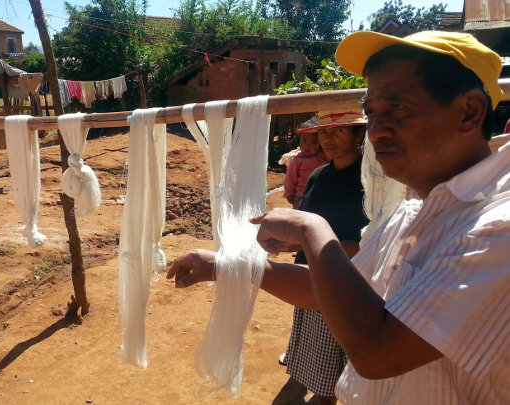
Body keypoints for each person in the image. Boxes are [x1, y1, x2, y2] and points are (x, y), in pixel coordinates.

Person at [167, 30, 510, 405]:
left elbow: (378, 352)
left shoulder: (497, 225)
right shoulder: (415, 206)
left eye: (398, 108)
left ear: (468, 112)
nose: (377, 130)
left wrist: (311, 228)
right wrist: (226, 266)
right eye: (372, 112)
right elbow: (337, 289)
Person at [282, 111, 368, 405]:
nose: (327, 139)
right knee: (316, 351)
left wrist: (316, 247)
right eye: (323, 133)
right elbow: (305, 224)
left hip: (350, 281)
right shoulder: (318, 176)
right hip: (313, 275)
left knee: (335, 362)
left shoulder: (369, 181)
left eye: (338, 131)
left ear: (358, 136)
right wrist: (287, 241)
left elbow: (365, 243)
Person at [282, 127, 328, 209]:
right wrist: (289, 193)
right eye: (304, 141)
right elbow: (290, 178)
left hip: (322, 196)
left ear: (321, 144)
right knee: (300, 217)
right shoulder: (297, 159)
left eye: (313, 143)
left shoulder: (326, 157)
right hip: (301, 196)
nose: (307, 146)